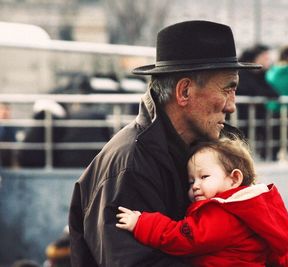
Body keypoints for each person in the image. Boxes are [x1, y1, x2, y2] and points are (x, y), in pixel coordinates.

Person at [68, 20, 262, 266]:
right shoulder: (131, 165)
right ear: (184, 92)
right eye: (228, 89)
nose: (232, 105)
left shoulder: (199, 149)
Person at [116, 137, 288, 267]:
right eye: (191, 180)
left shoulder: (223, 213)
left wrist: (142, 223)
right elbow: (272, 253)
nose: (195, 185)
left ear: (234, 179)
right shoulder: (252, 212)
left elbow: (185, 238)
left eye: (204, 177)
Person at [237, 44, 279, 159]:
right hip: (241, 116)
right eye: (265, 57)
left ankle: (268, 156)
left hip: (256, 117)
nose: (268, 61)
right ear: (255, 58)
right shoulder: (241, 73)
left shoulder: (260, 74)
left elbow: (274, 93)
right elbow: (254, 90)